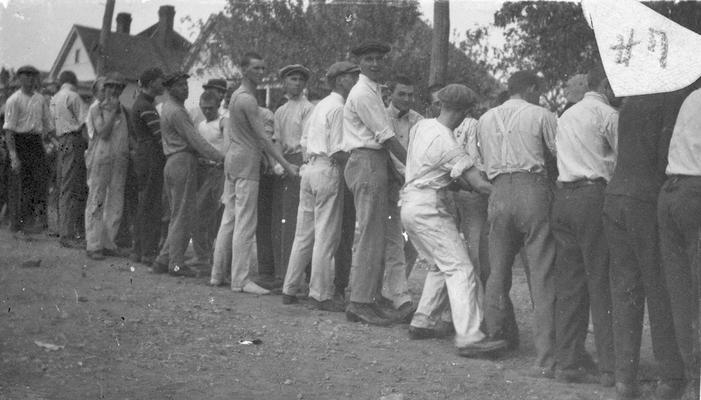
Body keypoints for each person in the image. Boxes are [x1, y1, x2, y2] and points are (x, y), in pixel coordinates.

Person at [401, 83, 508, 357]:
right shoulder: (449, 144)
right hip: (429, 208)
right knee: (461, 268)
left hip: (410, 204)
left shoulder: (421, 127)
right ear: (462, 112)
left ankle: (422, 320)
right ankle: (470, 337)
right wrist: (504, 192)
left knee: (440, 263)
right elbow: (479, 184)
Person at [603, 89, 690, 400]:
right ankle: (670, 377)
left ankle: (624, 381)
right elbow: (666, 157)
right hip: (646, 199)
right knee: (660, 289)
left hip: (616, 196)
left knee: (625, 288)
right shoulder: (672, 103)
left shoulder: (631, 103)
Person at [477, 70, 558, 377]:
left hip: (498, 191)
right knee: (541, 270)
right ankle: (546, 356)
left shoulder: (485, 119)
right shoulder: (541, 114)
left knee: (498, 271)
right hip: (531, 188)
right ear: (531, 88)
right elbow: (558, 154)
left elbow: (482, 162)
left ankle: (495, 336)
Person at [210, 52, 299, 294]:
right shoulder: (247, 99)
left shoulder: (237, 97)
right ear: (244, 70)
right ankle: (240, 279)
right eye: (256, 68)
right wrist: (285, 164)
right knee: (245, 221)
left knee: (230, 218)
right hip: (246, 163)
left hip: (234, 160)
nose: (260, 73)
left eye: (263, 68)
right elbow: (262, 137)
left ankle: (217, 274)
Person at [551, 65, 617, 386]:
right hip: (593, 197)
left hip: (563, 199)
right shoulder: (607, 114)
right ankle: (610, 366)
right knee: (601, 279)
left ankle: (568, 361)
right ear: (606, 84)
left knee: (570, 284)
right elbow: (622, 161)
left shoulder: (566, 115)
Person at [281, 61, 360, 311]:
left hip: (310, 169)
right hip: (327, 168)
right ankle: (320, 294)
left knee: (303, 235)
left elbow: (304, 140)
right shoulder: (338, 108)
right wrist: (356, 170)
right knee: (326, 236)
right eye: (351, 77)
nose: (355, 80)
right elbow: (337, 150)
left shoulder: (320, 105)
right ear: (339, 80)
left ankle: (289, 288)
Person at [342, 41, 409, 326]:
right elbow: (386, 136)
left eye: (379, 59)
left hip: (376, 162)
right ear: (359, 62)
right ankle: (358, 303)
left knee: (377, 233)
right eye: (369, 59)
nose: (375, 64)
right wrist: (414, 164)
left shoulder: (373, 90)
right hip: (366, 161)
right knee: (370, 234)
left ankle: (369, 297)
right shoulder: (363, 92)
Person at [151, 72, 224, 277]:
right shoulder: (177, 112)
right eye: (181, 86)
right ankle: (175, 264)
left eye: (186, 85)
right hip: (182, 161)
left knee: (178, 214)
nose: (186, 89)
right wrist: (221, 157)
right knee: (183, 215)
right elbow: (196, 141)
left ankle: (162, 260)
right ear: (169, 88)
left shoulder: (169, 108)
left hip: (174, 162)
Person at [657, 83, 701, 400]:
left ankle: (690, 379)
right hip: (696, 194)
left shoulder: (691, 97)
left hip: (671, 192)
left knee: (681, 293)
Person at [270, 64, 314, 285]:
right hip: (285, 162)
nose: (296, 83)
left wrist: (301, 164)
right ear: (285, 83)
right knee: (283, 219)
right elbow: (276, 140)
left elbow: (307, 141)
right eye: (292, 79)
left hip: (300, 162)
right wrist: (279, 163)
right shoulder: (280, 111)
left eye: (300, 79)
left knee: (299, 219)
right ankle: (282, 272)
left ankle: (298, 276)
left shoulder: (308, 108)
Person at [383, 74, 422, 309]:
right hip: (389, 182)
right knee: (392, 239)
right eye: (402, 94)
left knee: (414, 239)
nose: (407, 99)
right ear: (390, 95)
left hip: (413, 184)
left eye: (410, 94)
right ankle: (398, 294)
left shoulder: (419, 120)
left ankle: (393, 287)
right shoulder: (381, 116)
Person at [3, 65, 53, 240]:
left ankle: (30, 222)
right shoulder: (13, 100)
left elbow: (47, 125)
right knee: (20, 184)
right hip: (20, 141)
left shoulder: (40, 99)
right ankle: (17, 225)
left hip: (36, 143)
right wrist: (13, 156)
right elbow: (9, 131)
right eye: (26, 76)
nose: (30, 80)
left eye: (33, 76)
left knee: (38, 182)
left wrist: (50, 144)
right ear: (19, 79)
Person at [83, 73, 130, 260]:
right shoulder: (96, 109)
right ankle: (93, 244)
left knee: (116, 200)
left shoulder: (123, 110)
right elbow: (103, 133)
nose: (114, 91)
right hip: (101, 157)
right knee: (97, 199)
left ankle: (108, 242)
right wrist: (112, 113)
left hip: (119, 158)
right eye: (110, 87)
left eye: (118, 88)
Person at [130, 68, 166, 266]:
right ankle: (148, 252)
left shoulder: (142, 103)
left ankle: (138, 250)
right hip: (152, 156)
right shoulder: (146, 105)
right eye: (161, 82)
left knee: (145, 203)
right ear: (151, 83)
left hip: (144, 155)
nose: (163, 85)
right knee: (151, 205)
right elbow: (160, 137)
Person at [190, 90, 229, 266]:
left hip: (220, 171)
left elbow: (227, 146)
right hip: (204, 171)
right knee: (198, 212)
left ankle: (217, 258)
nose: (207, 112)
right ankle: (202, 255)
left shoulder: (223, 122)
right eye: (204, 108)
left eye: (211, 108)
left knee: (219, 214)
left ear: (218, 106)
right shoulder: (200, 125)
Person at [51, 70, 88, 248]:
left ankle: (65, 229)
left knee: (64, 185)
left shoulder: (54, 98)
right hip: (74, 140)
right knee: (74, 187)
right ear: (74, 81)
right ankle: (68, 234)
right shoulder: (74, 97)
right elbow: (84, 124)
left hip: (61, 141)